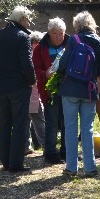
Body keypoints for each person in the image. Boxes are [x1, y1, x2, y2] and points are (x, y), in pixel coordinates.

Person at [0, 6, 37, 173]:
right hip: (19, 87)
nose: (29, 24)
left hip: (2, 87)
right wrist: (32, 81)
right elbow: (27, 64)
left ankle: (5, 161)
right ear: (22, 19)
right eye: (28, 20)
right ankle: (16, 163)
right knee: (19, 125)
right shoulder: (23, 37)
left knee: (5, 123)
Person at [59, 11, 100, 177]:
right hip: (89, 90)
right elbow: (99, 69)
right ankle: (90, 167)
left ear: (76, 25)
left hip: (70, 89)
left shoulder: (74, 40)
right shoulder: (98, 42)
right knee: (88, 129)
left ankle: (71, 168)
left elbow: (63, 64)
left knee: (70, 128)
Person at [33, 17, 67, 164]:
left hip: (68, 90)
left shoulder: (71, 44)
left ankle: (67, 151)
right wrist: (45, 74)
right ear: (49, 33)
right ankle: (51, 153)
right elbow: (35, 70)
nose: (59, 37)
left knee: (68, 122)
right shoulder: (40, 48)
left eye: (61, 33)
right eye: (55, 33)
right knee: (52, 122)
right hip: (49, 91)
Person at [28, 30, 47, 151]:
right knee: (39, 121)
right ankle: (46, 146)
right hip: (33, 94)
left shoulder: (27, 54)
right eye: (39, 42)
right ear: (34, 43)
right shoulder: (33, 55)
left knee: (26, 122)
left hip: (28, 94)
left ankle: (26, 146)